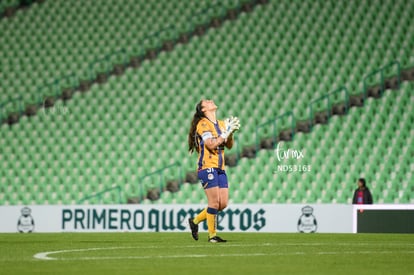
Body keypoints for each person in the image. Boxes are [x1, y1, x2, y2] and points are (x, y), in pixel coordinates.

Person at [187, 99, 240, 243]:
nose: (211, 101)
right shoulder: (203, 124)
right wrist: (225, 133)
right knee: (214, 202)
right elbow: (211, 144)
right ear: (203, 109)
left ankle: (195, 221)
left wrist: (230, 133)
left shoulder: (222, 123)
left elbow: (228, 145)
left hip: (220, 167)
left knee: (222, 204)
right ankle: (212, 236)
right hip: (207, 166)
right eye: (207, 102)